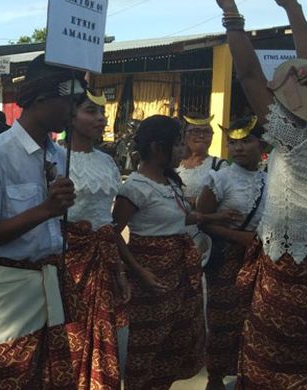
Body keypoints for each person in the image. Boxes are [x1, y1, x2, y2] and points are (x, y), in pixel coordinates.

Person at [215, 0, 307, 388]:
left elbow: (249, 73)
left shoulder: (293, 136)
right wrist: (294, 10)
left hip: (288, 267)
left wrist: (231, 14)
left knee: (269, 367)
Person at [0, 54, 76, 389]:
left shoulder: (58, 155)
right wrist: (44, 209)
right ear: (41, 100)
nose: (73, 112)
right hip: (9, 290)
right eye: (69, 103)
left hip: (52, 282)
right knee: (9, 380)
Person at [112, 115, 204, 390]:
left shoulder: (169, 182)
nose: (183, 151)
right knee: (146, 344)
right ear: (156, 148)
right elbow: (114, 233)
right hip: (150, 273)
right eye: (176, 144)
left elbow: (176, 220)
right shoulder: (135, 188)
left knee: (172, 343)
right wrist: (139, 272)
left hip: (177, 272)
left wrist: (214, 217)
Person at [62, 90, 131, 390]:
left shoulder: (107, 162)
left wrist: (125, 269)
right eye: (91, 111)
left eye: (102, 112)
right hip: (66, 260)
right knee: (66, 334)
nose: (101, 118)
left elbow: (109, 223)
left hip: (103, 260)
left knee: (104, 334)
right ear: (70, 116)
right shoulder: (54, 158)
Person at [196, 116, 266, 390]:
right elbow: (204, 221)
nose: (238, 148)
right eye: (233, 142)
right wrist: (241, 238)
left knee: (252, 320)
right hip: (225, 259)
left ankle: (245, 375)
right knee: (222, 320)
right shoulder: (219, 178)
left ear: (261, 143)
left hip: (258, 258)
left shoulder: (270, 178)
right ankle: (215, 378)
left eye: (246, 141)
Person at [177, 112, 228, 266]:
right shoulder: (173, 164)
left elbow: (224, 203)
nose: (201, 136)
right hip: (174, 229)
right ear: (184, 136)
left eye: (207, 132)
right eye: (195, 131)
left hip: (204, 232)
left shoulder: (220, 166)